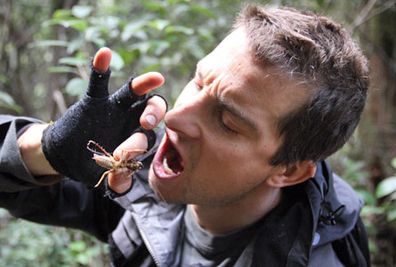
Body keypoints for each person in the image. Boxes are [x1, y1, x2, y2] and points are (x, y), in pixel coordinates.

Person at [0, 4, 370, 267]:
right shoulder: (136, 178)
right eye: (198, 81)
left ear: (287, 171)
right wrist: (44, 150)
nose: (174, 118)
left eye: (227, 122)